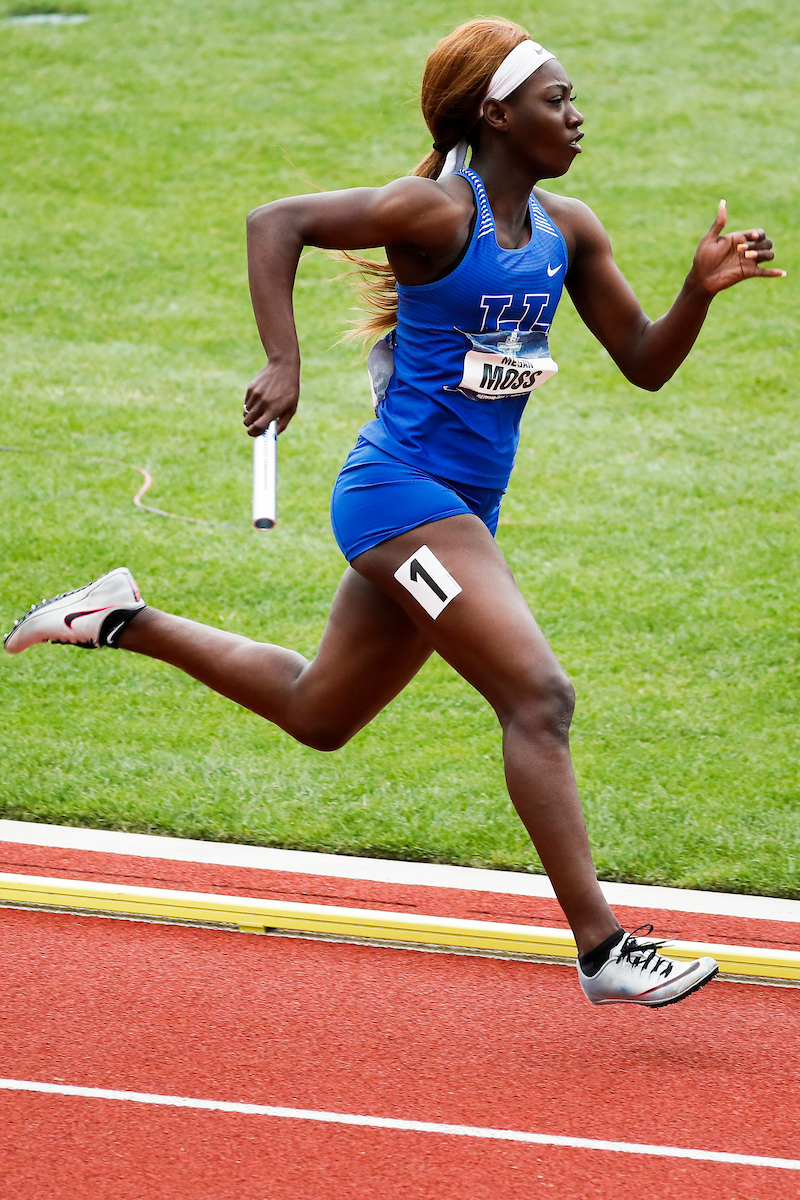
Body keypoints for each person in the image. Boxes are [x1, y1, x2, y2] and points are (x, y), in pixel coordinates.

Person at [5, 18, 784, 1006]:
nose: (576, 116)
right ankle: (601, 948)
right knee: (537, 697)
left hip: (458, 514)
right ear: (497, 115)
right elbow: (273, 220)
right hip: (395, 500)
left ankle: (119, 616)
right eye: (556, 100)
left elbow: (643, 362)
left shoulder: (569, 230)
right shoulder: (429, 212)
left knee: (317, 711)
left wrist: (695, 290)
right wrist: (283, 362)